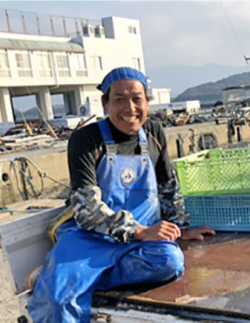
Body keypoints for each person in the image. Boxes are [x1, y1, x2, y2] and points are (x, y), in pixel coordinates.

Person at [28, 67, 215, 322]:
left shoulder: (154, 133)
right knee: (56, 302)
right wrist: (139, 230)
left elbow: (167, 188)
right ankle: (63, 276)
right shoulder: (86, 139)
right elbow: (86, 209)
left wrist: (180, 228)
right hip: (90, 239)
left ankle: (74, 276)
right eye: (119, 99)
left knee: (170, 261)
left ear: (147, 102)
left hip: (139, 243)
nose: (130, 108)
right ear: (105, 104)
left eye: (137, 99)